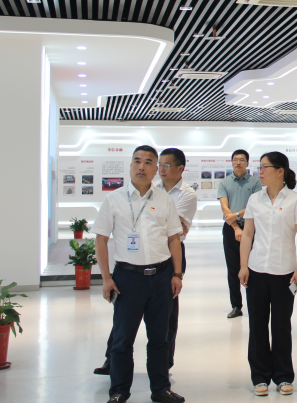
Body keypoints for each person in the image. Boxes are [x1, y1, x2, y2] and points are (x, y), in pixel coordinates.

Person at [93, 145, 186, 403]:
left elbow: (174, 239)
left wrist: (177, 274)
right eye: (137, 161)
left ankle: (161, 389)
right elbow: (101, 240)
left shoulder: (164, 200)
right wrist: (106, 278)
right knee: (122, 339)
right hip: (127, 278)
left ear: (157, 169)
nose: (141, 166)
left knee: (160, 338)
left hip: (161, 276)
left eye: (148, 162)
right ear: (130, 166)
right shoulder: (114, 199)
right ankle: (119, 391)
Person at [239, 151, 297, 397]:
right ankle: (259, 376)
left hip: (284, 273)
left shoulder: (295, 200)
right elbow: (248, 234)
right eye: (259, 167)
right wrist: (243, 265)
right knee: (257, 325)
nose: (260, 171)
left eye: (265, 167)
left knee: (281, 326)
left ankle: (283, 375)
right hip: (257, 269)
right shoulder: (254, 199)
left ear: (280, 171)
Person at [218, 149, 262, 318]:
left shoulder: (255, 182)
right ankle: (236, 305)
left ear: (247, 163)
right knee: (233, 268)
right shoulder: (224, 183)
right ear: (231, 162)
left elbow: (254, 205)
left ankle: (254, 302)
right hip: (231, 229)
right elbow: (224, 207)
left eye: (242, 160)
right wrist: (236, 227)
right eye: (235, 159)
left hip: (251, 227)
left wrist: (236, 215)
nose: (238, 162)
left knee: (253, 266)